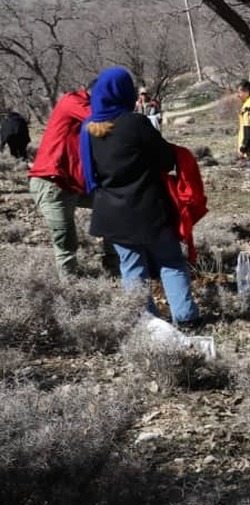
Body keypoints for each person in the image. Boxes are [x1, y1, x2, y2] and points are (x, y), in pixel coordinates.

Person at [83, 67, 201, 326]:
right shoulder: (135, 123)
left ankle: (146, 323)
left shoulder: (88, 129)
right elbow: (166, 159)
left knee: (131, 268)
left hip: (112, 213)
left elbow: (88, 172)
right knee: (170, 261)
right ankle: (185, 317)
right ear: (124, 92)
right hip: (149, 208)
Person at [28, 88, 91, 278]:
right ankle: (69, 289)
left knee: (114, 204)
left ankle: (113, 266)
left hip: (73, 183)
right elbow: (101, 119)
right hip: (51, 183)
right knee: (66, 242)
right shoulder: (73, 100)